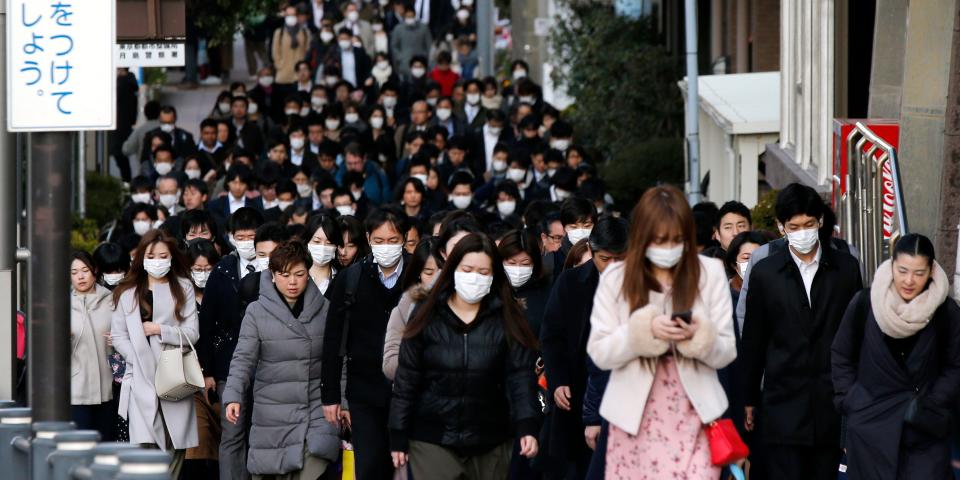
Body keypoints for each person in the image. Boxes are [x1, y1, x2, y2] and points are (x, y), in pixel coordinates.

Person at [587, 185, 736, 479]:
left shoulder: (710, 273)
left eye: (676, 240)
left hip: (697, 413)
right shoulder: (616, 278)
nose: (668, 249)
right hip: (632, 416)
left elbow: (727, 351)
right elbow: (600, 352)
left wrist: (698, 334)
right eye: (659, 240)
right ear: (642, 237)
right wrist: (641, 332)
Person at [388, 233, 541, 478]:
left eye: (483, 272)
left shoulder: (508, 319)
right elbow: (407, 380)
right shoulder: (428, 315)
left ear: (493, 276)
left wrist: (527, 425)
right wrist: (398, 433)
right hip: (432, 436)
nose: (474, 278)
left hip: (491, 437)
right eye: (467, 269)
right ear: (453, 270)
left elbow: (520, 378)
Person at [740, 184, 863, 479]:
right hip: (783, 399)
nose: (803, 232)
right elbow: (754, 340)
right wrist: (748, 399)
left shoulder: (845, 269)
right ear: (781, 227)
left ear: (820, 222)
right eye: (794, 226)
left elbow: (857, 333)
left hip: (831, 402)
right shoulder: (767, 273)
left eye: (809, 224)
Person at [832, 234, 960, 479]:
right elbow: (841, 354)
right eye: (902, 270)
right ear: (892, 266)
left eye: (919, 273)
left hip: (925, 429)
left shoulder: (946, 311)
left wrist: (933, 401)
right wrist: (852, 399)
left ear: (932, 270)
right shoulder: (866, 303)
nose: (909, 280)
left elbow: (956, 365)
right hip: (871, 427)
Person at [224, 241, 341, 480]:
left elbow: (340, 360)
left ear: (308, 274)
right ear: (272, 275)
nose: (292, 282)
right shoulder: (256, 312)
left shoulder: (326, 309)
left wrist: (344, 402)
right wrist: (233, 395)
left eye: (299, 274)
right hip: (272, 414)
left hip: (315, 409)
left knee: (314, 462)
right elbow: (243, 358)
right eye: (284, 275)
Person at [321, 207, 409, 480]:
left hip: (410, 389)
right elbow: (333, 339)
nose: (386, 247)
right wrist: (331, 396)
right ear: (369, 239)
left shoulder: (418, 273)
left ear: (404, 239)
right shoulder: (352, 277)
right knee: (370, 465)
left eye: (393, 241)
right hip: (364, 391)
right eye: (379, 241)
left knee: (409, 467)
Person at [539, 215, 628, 479]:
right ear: (591, 249)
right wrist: (558, 381)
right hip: (576, 391)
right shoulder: (571, 282)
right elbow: (551, 336)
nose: (612, 267)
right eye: (605, 259)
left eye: (619, 259)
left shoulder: (646, 287)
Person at [110, 230, 199, 478]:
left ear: (172, 258)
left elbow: (192, 333)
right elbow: (118, 336)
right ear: (142, 257)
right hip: (139, 377)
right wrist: (136, 356)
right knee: (143, 447)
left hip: (174, 375)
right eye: (152, 255)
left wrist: (161, 330)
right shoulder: (126, 292)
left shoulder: (183, 287)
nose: (158, 261)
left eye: (163, 256)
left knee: (174, 445)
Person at [196, 207, 264, 480]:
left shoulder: (275, 268)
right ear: (231, 237)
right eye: (241, 236)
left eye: (252, 236)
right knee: (232, 433)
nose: (247, 241)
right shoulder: (222, 269)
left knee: (260, 433)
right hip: (227, 365)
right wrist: (208, 372)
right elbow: (207, 323)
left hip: (266, 363)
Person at [382, 236, 444, 381]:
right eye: (429, 273)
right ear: (418, 274)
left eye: (442, 271)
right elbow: (390, 365)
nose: (436, 278)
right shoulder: (405, 307)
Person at [70, 251, 116, 440]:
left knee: (106, 450)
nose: (80, 276)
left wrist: (119, 340)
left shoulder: (112, 301)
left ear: (94, 271)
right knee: (80, 449)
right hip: (76, 391)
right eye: (74, 272)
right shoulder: (62, 305)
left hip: (109, 388)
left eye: (84, 270)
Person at [305, 215, 342, 294]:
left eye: (329, 243)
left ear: (336, 246)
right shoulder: (295, 276)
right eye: (316, 241)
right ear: (307, 242)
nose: (323, 247)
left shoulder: (342, 278)